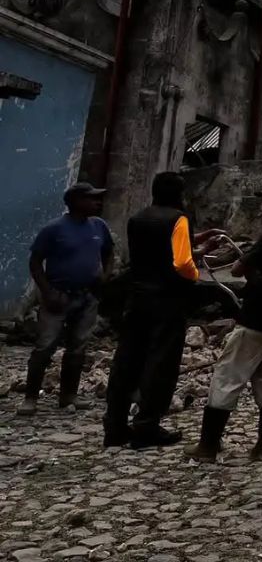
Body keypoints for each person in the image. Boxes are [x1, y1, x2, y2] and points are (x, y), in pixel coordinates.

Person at [103, 172, 224, 449]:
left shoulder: (138, 218)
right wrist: (195, 273)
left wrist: (198, 241)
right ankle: (146, 426)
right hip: (166, 302)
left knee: (127, 361)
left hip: (136, 299)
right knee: (160, 363)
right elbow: (181, 262)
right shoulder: (178, 219)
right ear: (179, 194)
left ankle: (115, 426)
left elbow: (158, 249)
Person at [187, 187, 262, 462]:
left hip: (258, 318)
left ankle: (208, 446)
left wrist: (246, 264)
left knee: (228, 376)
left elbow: (237, 269)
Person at [21, 182, 114, 415]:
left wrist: (105, 275)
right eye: (91, 198)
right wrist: (47, 291)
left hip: (87, 296)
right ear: (75, 202)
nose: (97, 202)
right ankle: (31, 397)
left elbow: (109, 251)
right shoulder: (54, 229)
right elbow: (35, 263)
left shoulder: (98, 226)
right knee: (45, 346)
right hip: (59, 296)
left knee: (78, 347)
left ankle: (69, 395)